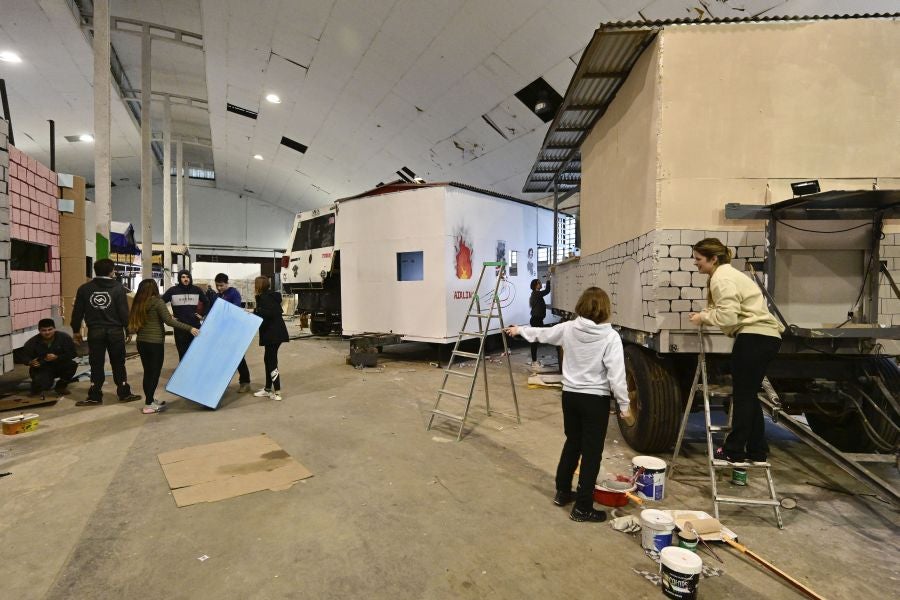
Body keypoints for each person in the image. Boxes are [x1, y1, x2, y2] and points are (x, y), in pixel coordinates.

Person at [505, 287, 634, 523]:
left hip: (571, 396)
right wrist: (625, 407)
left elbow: (541, 334)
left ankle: (563, 491)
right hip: (595, 399)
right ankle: (583, 507)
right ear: (605, 309)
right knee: (592, 452)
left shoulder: (568, 329)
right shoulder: (610, 337)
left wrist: (519, 330)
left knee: (573, 443)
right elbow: (617, 375)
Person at [688, 238, 783, 464]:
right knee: (749, 396)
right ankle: (757, 450)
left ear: (713, 259)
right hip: (764, 337)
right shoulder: (729, 275)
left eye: (699, 259)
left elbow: (728, 316)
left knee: (742, 397)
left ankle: (734, 450)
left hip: (754, 337)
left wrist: (703, 317)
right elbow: (730, 309)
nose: (696, 264)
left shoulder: (721, 278)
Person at [71, 258, 141, 405]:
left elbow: (77, 312)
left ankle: (95, 395)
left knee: (96, 363)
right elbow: (123, 312)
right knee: (118, 362)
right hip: (115, 331)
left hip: (95, 331)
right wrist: (128, 329)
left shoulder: (84, 289)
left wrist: (76, 330)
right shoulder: (118, 288)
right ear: (111, 271)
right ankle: (124, 392)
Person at [128, 279, 200, 414]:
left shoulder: (138, 303)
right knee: (154, 373)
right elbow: (169, 321)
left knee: (148, 372)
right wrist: (189, 328)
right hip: (154, 343)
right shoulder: (157, 301)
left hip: (141, 342)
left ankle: (150, 400)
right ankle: (148, 405)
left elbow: (151, 318)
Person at [207, 273, 252, 392]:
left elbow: (235, 310)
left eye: (221, 285)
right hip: (221, 330)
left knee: (237, 356)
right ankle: (220, 383)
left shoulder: (234, 293)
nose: (219, 288)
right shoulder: (218, 295)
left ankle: (245, 382)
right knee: (221, 356)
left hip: (233, 330)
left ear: (227, 283)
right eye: (217, 286)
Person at [252, 276, 289, 401]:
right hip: (275, 333)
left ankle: (277, 392)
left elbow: (270, 313)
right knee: (267, 360)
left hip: (273, 334)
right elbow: (268, 312)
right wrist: (256, 311)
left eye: (255, 285)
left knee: (272, 361)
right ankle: (268, 389)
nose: (254, 287)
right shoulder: (269, 297)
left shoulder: (264, 298)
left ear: (259, 286)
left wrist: (255, 311)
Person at [22, 318, 77, 397]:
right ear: (39, 330)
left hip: (59, 365)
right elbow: (24, 357)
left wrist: (57, 357)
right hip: (42, 368)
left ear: (54, 328)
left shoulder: (64, 338)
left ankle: (61, 387)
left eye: (50, 329)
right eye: (44, 330)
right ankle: (36, 389)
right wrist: (30, 362)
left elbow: (73, 354)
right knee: (46, 385)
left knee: (71, 365)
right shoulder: (32, 342)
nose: (47, 332)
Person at [162, 269, 208, 360]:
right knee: (182, 353)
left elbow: (207, 302)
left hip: (195, 326)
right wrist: (168, 316)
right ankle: (184, 372)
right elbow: (160, 302)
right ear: (179, 278)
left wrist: (202, 314)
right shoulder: (172, 291)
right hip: (180, 327)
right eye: (183, 277)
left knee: (195, 352)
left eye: (187, 277)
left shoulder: (196, 290)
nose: (186, 279)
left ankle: (194, 372)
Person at [528, 277, 552, 368]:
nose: (540, 284)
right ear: (535, 286)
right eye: (539, 283)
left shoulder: (535, 294)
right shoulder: (537, 294)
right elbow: (547, 290)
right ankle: (534, 361)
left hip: (537, 320)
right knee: (534, 341)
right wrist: (549, 280)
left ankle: (534, 360)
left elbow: (539, 305)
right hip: (536, 320)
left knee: (537, 340)